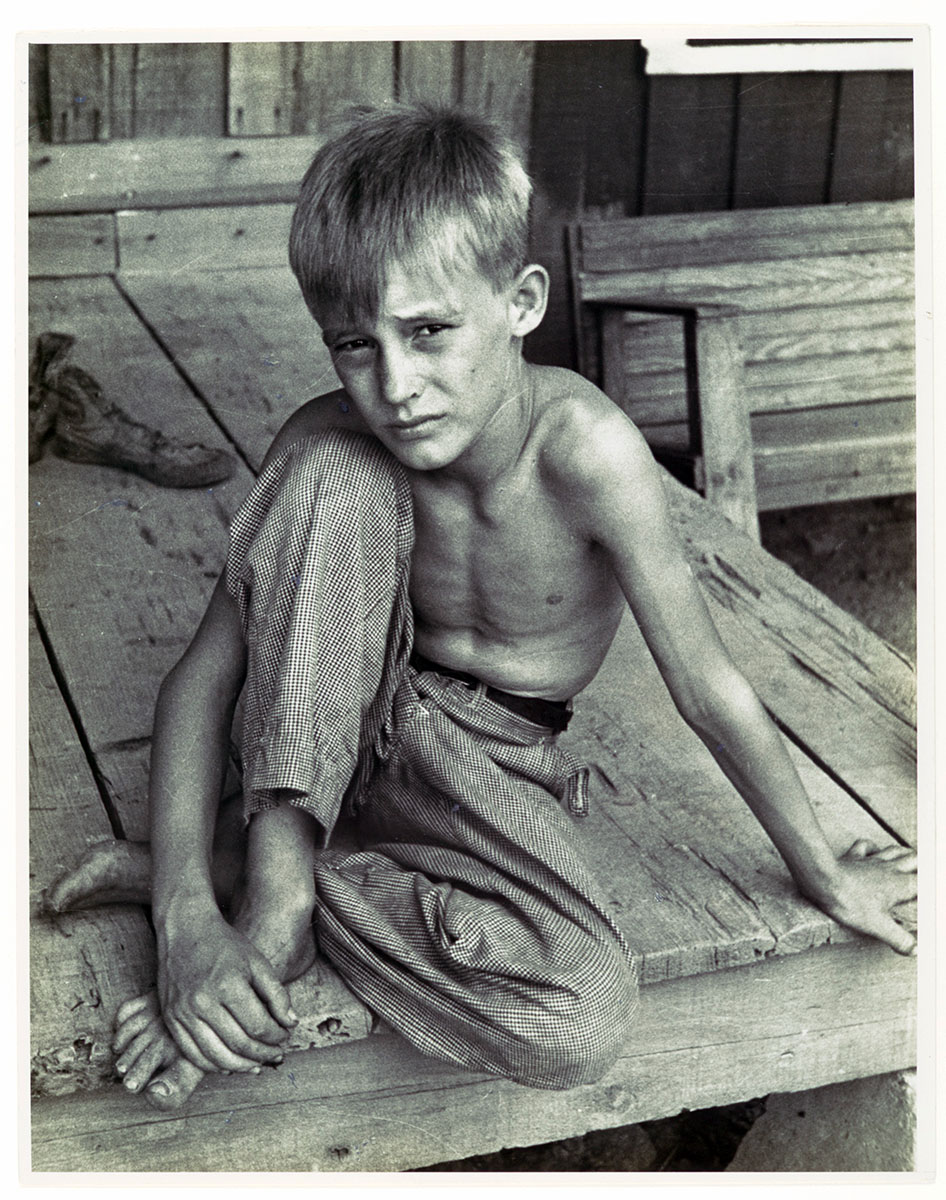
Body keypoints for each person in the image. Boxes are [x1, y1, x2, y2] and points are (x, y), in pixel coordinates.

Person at [46, 103, 917, 1113]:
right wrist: (184, 921)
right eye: (354, 346)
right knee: (334, 464)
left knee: (576, 1014)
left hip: (487, 765)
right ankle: (269, 908)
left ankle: (260, 871)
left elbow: (708, 686)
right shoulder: (333, 441)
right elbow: (205, 678)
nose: (396, 385)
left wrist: (819, 868)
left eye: (427, 332)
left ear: (520, 301)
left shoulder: (585, 453)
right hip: (327, 724)